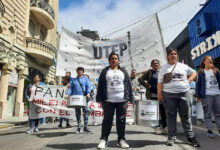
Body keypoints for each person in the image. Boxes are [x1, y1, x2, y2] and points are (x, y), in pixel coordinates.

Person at [157, 49, 200, 147]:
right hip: (168, 94)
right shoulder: (163, 68)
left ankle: (190, 136)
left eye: (175, 54)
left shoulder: (183, 66)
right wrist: (159, 94)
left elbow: (194, 72)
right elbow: (160, 83)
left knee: (186, 116)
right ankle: (171, 137)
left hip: (184, 93)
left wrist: (189, 79)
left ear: (177, 56)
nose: (174, 55)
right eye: (171, 54)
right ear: (168, 56)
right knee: (170, 115)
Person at [96, 52, 134, 149]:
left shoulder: (124, 71)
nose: (114, 60)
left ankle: (121, 140)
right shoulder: (105, 71)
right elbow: (100, 85)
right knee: (107, 120)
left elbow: (128, 85)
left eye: (115, 58)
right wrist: (99, 98)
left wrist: (131, 98)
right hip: (108, 100)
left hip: (122, 100)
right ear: (109, 61)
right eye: (112, 58)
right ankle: (104, 140)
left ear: (118, 60)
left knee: (121, 120)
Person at [138, 59, 167, 134]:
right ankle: (157, 127)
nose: (156, 64)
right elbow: (140, 79)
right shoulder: (149, 72)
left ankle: (165, 127)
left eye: (157, 63)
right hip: (153, 95)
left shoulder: (162, 72)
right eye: (154, 64)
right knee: (155, 112)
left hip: (162, 94)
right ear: (151, 65)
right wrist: (147, 85)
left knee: (163, 111)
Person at [196, 56, 220, 138]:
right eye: (209, 59)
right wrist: (198, 95)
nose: (211, 60)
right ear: (204, 62)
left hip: (217, 94)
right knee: (208, 113)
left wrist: (216, 73)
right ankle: (210, 130)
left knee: (218, 113)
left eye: (211, 59)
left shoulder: (216, 70)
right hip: (206, 95)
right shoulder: (201, 72)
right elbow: (198, 84)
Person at [67, 67, 92, 134]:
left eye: (80, 70)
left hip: (83, 97)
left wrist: (88, 93)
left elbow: (88, 86)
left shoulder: (85, 79)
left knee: (85, 112)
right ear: (76, 71)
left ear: (83, 72)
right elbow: (71, 88)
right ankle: (79, 127)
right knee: (78, 112)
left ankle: (86, 127)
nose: (79, 71)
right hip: (76, 98)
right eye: (78, 70)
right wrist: (67, 94)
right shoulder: (73, 79)